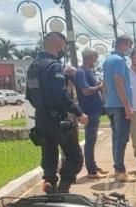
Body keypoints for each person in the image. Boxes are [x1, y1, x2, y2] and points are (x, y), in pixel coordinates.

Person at [25, 32, 88, 194]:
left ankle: (50, 185)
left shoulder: (33, 67)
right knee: (75, 158)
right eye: (64, 46)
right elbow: (61, 95)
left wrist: (43, 109)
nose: (64, 50)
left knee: (49, 156)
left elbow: (29, 96)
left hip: (41, 120)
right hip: (57, 121)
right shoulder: (53, 66)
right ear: (58, 44)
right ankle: (63, 189)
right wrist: (78, 112)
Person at [102, 35, 135, 181]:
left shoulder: (108, 60)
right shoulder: (119, 61)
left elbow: (104, 84)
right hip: (120, 106)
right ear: (122, 44)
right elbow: (119, 83)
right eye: (129, 45)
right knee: (121, 139)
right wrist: (127, 106)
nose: (129, 49)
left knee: (117, 138)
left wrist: (106, 101)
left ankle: (118, 168)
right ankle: (120, 171)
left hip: (110, 104)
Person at [74, 48, 107, 179]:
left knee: (92, 141)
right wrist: (99, 86)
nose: (95, 61)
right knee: (90, 141)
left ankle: (93, 165)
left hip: (95, 110)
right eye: (94, 58)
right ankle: (91, 170)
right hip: (90, 111)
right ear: (88, 58)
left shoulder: (88, 72)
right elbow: (85, 91)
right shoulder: (81, 72)